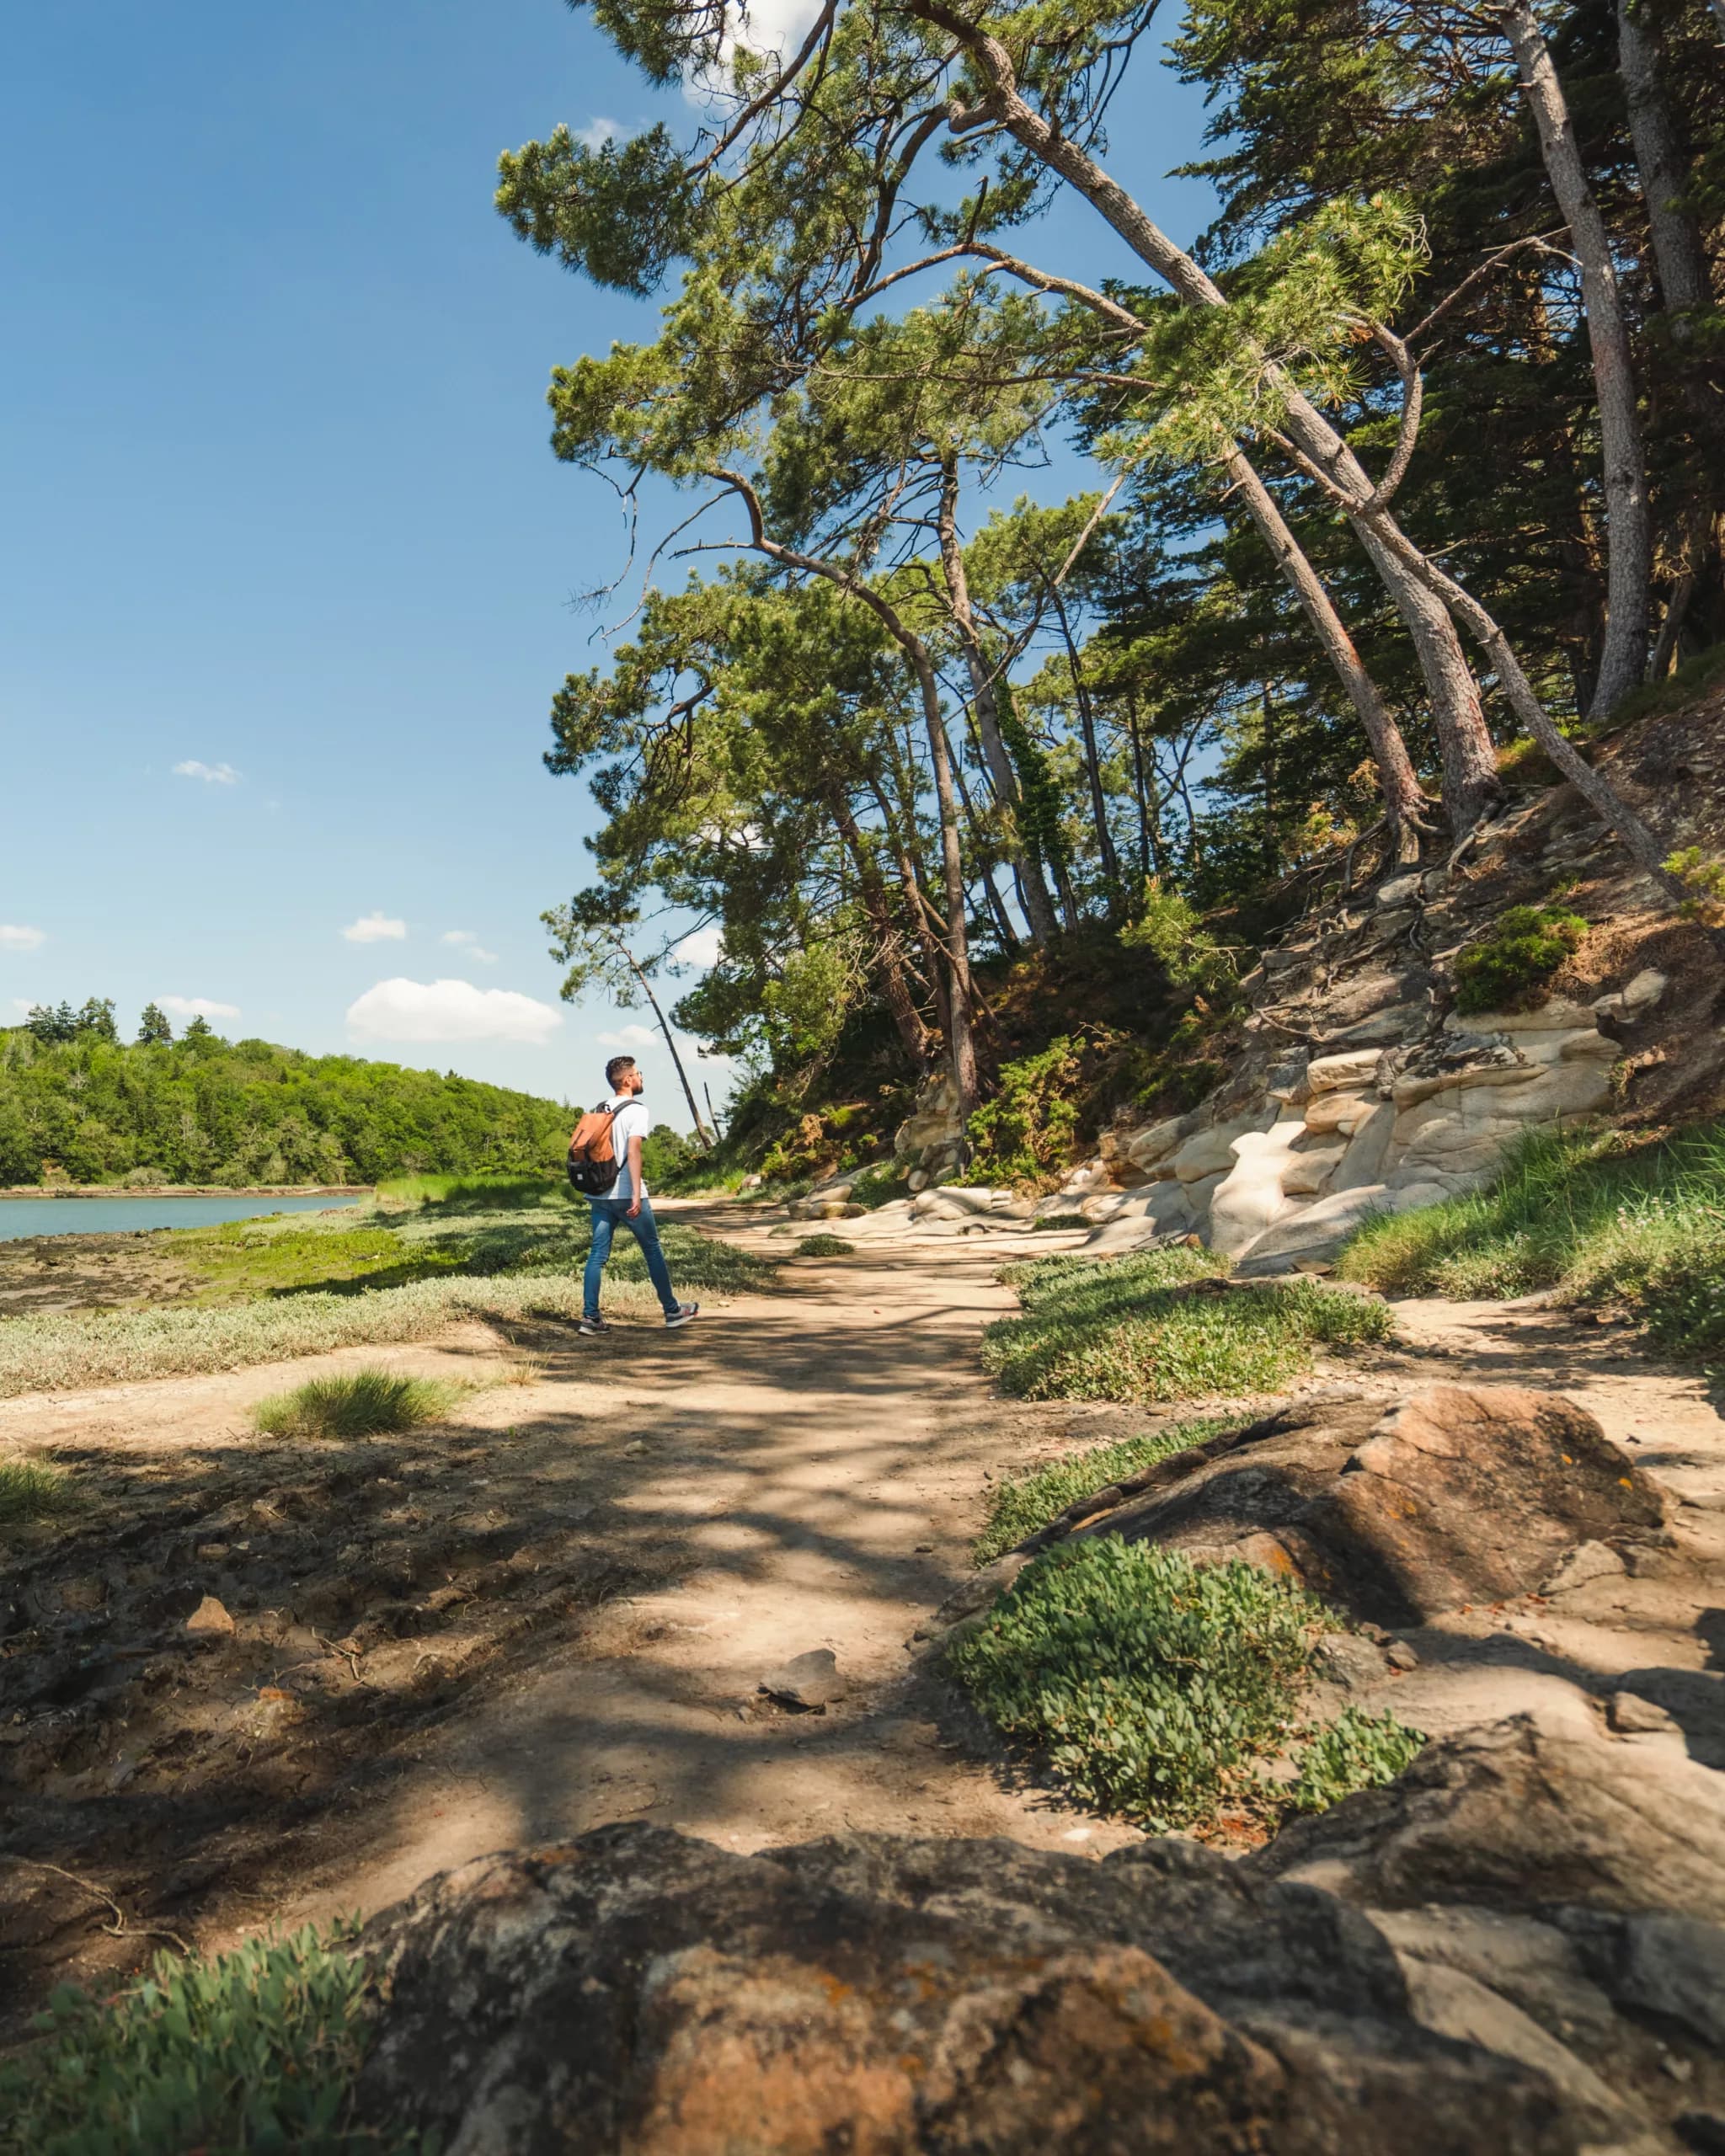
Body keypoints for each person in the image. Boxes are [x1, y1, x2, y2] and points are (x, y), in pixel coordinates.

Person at [579, 1054, 699, 1337]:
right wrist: (635, 1194)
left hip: (599, 1194)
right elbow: (633, 1151)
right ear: (629, 1079)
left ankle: (590, 1317)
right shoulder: (637, 1110)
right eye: (639, 1074)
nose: (642, 1077)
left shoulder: (600, 1108)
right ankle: (672, 1311)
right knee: (652, 1250)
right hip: (625, 1193)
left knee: (597, 1255)